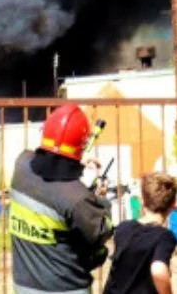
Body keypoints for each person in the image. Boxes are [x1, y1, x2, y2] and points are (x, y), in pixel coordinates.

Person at [10, 103, 114, 294]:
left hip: (23, 286)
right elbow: (102, 230)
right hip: (66, 289)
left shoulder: (21, 166)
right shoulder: (77, 198)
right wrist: (99, 198)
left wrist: (75, 165)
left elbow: (44, 163)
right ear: (80, 146)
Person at [101, 172, 177, 294]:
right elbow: (158, 270)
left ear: (142, 202)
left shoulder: (123, 228)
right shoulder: (164, 237)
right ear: (174, 203)